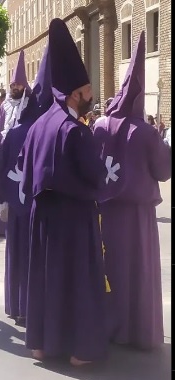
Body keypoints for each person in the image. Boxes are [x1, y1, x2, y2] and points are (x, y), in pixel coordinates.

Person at [18, 18, 109, 366]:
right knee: (76, 282)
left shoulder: (39, 124)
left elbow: (26, 173)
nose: (91, 97)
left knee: (47, 280)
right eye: (88, 90)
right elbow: (96, 176)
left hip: (42, 219)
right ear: (75, 92)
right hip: (74, 219)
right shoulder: (76, 130)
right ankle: (79, 350)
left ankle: (42, 344)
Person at [93, 31, 172, 350]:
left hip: (105, 213)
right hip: (138, 218)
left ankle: (108, 327)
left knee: (109, 269)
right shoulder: (146, 133)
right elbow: (164, 171)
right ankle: (136, 331)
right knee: (137, 274)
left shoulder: (99, 125)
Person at [0, 41, 53, 327]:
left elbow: (3, 167)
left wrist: (0, 197)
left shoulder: (17, 133)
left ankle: (16, 304)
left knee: (16, 252)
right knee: (33, 255)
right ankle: (31, 305)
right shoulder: (44, 133)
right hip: (36, 206)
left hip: (16, 203)